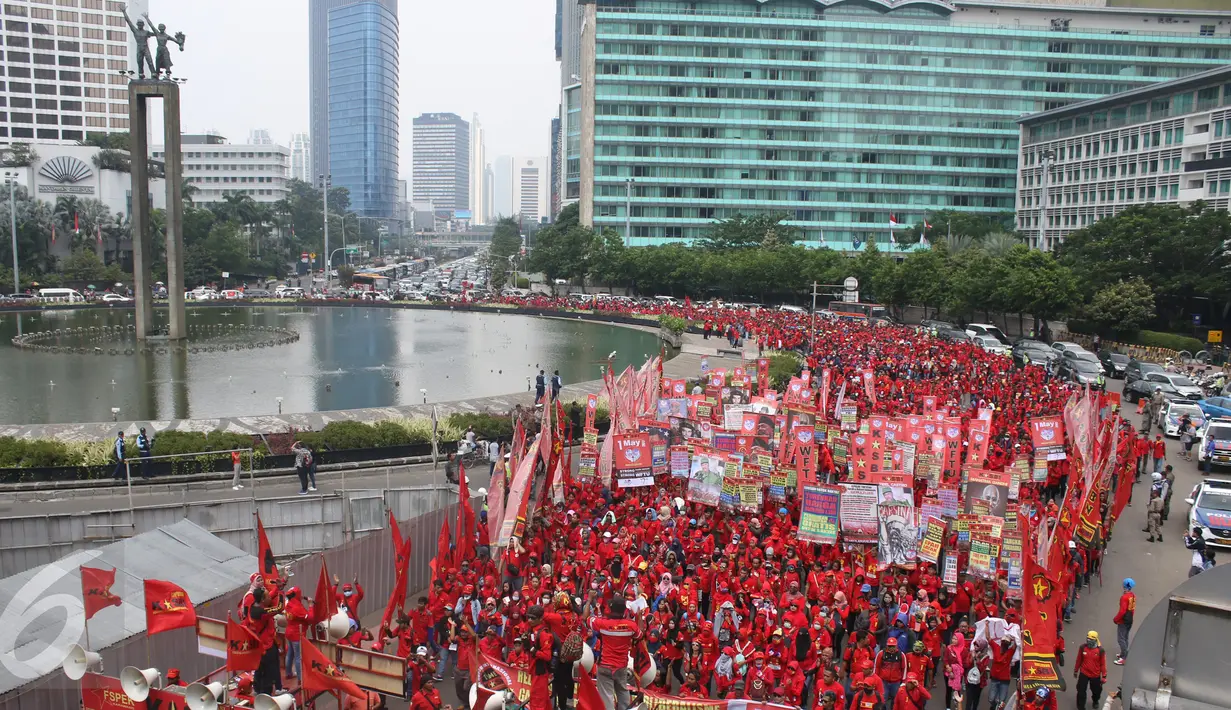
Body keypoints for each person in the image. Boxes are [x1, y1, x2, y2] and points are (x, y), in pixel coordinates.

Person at [590, 596, 640, 710]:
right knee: (623, 692)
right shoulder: (631, 626)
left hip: (605, 665)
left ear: (611, 609)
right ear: (624, 610)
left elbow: (587, 619)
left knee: (607, 697)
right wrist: (639, 614)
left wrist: (589, 601)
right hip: (621, 666)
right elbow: (640, 635)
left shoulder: (603, 623)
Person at [1074, 631, 1107, 710]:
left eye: (1091, 639)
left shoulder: (1100, 650)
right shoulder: (1082, 647)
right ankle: (1081, 707)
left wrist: (1104, 676)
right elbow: (1079, 659)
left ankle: (1095, 701)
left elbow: (1103, 664)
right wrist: (1076, 670)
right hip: (1084, 673)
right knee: (1081, 691)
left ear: (1095, 639)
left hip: (1095, 675)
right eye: (1087, 639)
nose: (1088, 641)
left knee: (1096, 692)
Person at [1113, 579, 1136, 665]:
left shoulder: (1124, 597)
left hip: (1123, 620)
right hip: (1130, 619)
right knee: (1125, 637)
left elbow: (1122, 611)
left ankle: (1124, 657)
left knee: (1121, 639)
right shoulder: (1132, 596)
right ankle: (1124, 653)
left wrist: (1116, 619)